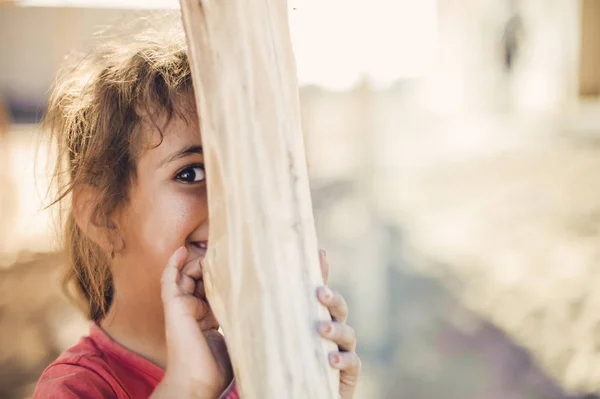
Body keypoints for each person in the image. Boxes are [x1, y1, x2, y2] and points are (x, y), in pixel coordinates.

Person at [32, 14, 361, 399]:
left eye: (243, 176)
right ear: (102, 215)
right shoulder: (76, 388)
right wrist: (189, 387)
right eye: (191, 174)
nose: (230, 206)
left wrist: (318, 386)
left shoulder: (255, 369)